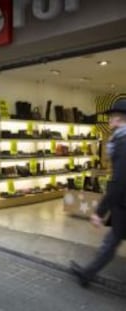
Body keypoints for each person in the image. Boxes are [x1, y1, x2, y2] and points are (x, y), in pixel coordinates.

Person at [70, 98, 126, 288]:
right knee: (110, 243)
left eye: (111, 119)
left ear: (119, 120)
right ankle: (87, 273)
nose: (109, 123)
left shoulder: (122, 143)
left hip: (124, 204)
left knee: (110, 243)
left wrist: (99, 212)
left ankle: (87, 274)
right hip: (122, 204)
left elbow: (119, 182)